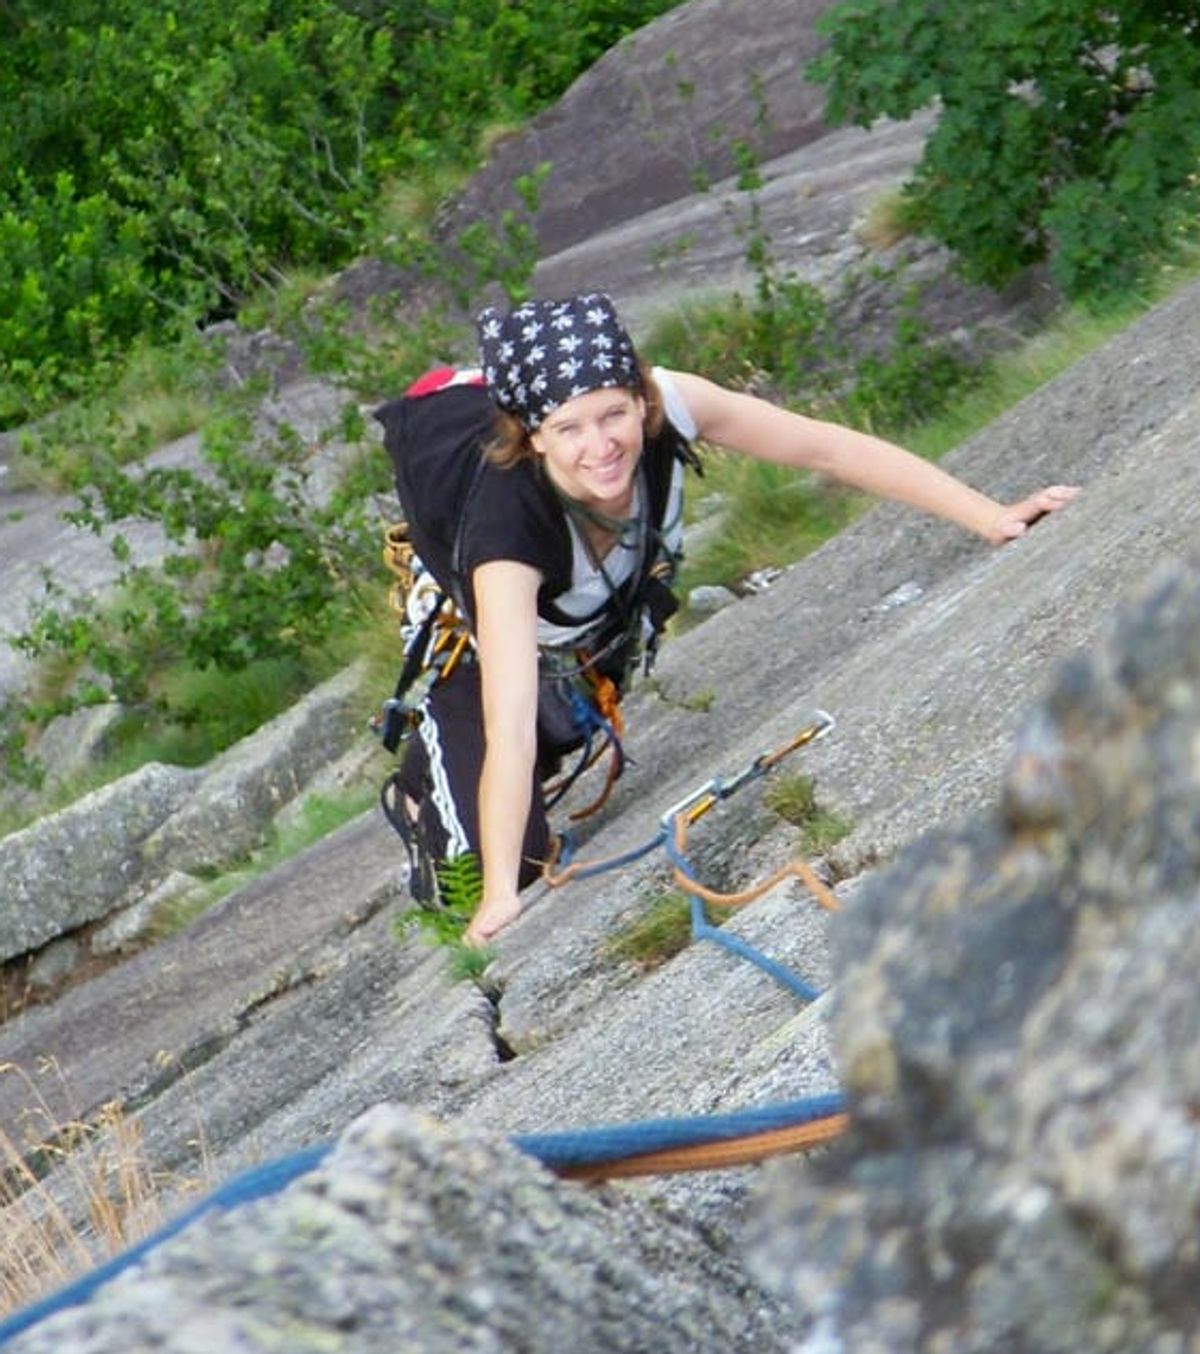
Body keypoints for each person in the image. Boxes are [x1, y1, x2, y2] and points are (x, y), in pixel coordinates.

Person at [378, 292, 1077, 947]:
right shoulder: (508, 539)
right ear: (533, 438)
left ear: (639, 397)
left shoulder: (672, 403)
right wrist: (501, 890)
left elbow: (827, 448)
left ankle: (548, 722)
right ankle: (420, 790)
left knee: (562, 705)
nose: (601, 445)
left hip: (586, 621)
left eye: (614, 415)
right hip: (486, 651)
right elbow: (508, 725)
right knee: (487, 861)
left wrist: (992, 517)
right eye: (569, 429)